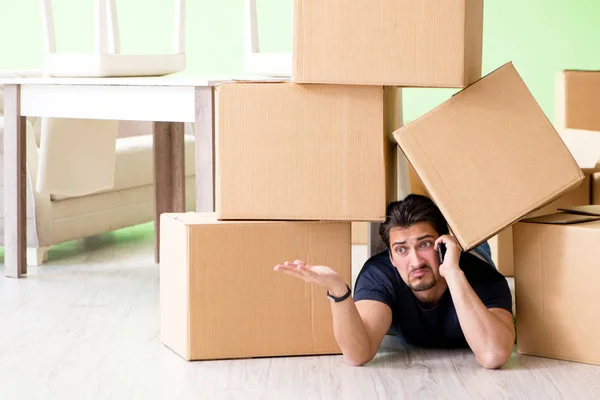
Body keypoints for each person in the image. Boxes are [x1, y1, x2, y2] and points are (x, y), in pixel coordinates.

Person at [274, 194, 515, 369]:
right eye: (401, 250)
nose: (415, 261)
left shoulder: (483, 277)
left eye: (425, 244)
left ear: (442, 244)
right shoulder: (379, 275)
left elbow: (493, 355)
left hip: (469, 258)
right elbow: (358, 354)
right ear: (390, 256)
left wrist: (452, 271)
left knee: (474, 247)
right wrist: (338, 289)